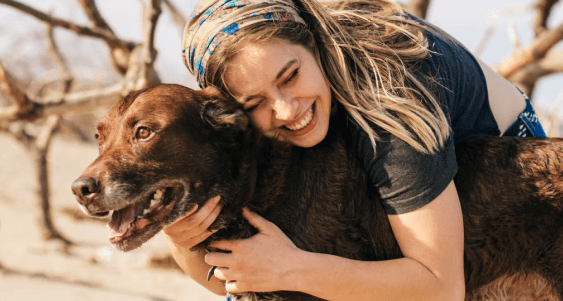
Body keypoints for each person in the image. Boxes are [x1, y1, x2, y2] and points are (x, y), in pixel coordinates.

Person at [163, 0, 547, 300]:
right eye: (253, 103)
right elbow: (235, 283)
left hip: (517, 184)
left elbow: (440, 289)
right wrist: (181, 239)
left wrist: (292, 268)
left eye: (291, 76)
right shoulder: (267, 132)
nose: (285, 109)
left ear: (313, 43)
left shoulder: (391, 98)